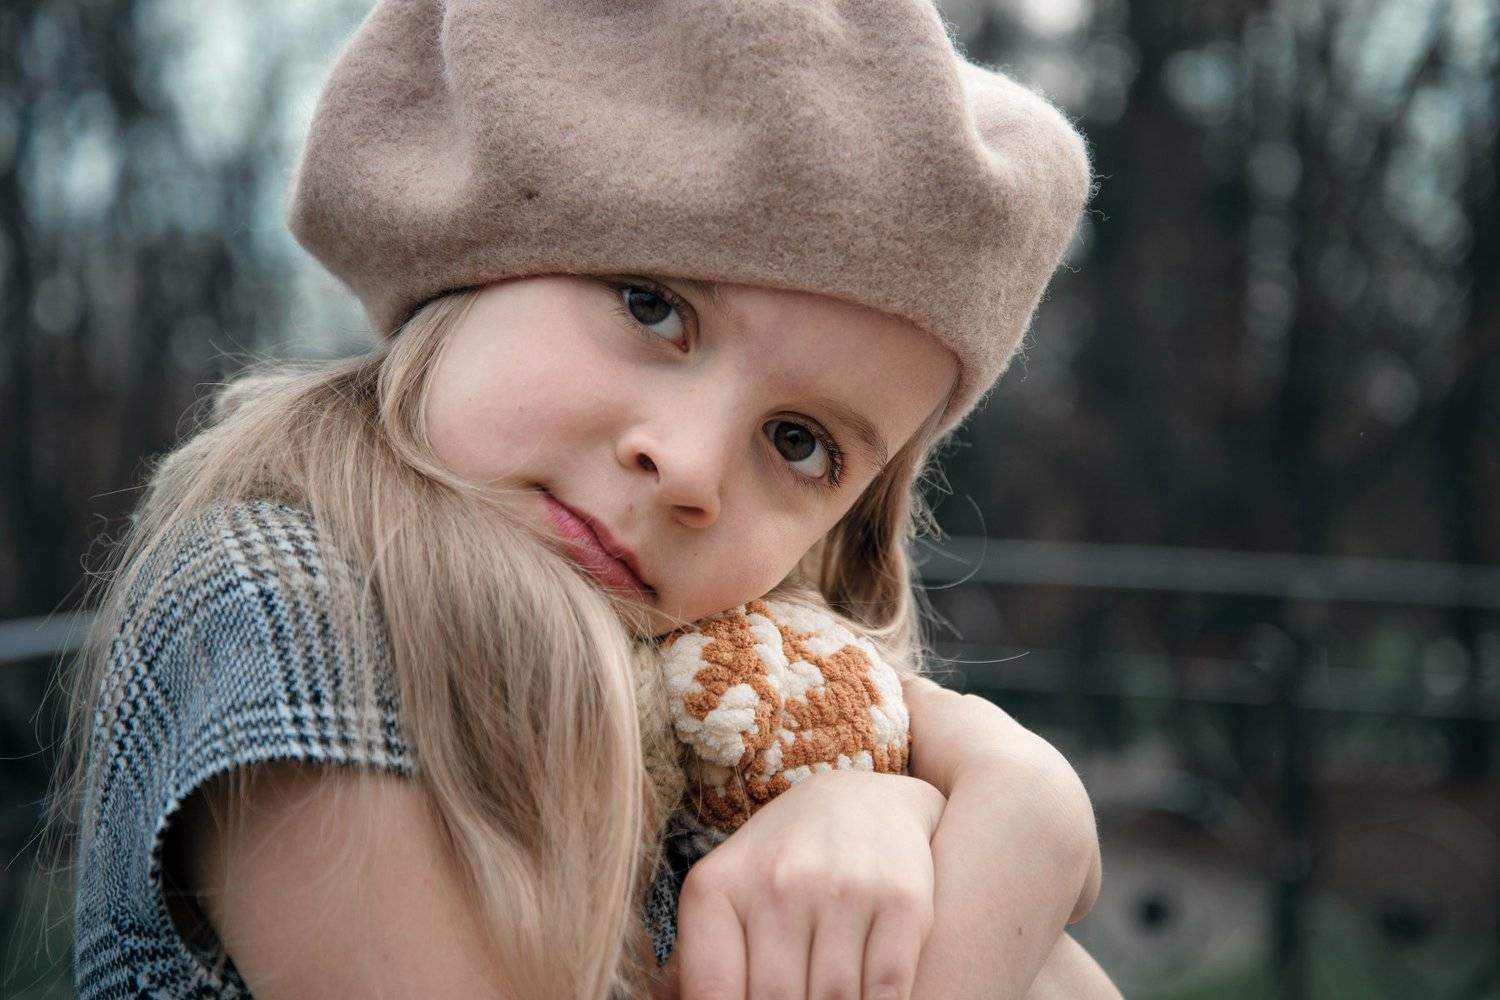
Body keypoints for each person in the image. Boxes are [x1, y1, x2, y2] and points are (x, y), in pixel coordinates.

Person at [55, 1, 1120, 997]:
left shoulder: (741, 712)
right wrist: (1023, 828)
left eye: (797, 443)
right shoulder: (285, 603)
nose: (690, 469)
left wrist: (922, 792)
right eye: (653, 307)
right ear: (477, 260)